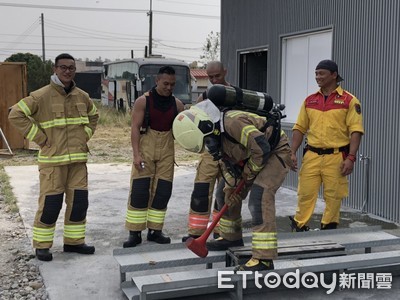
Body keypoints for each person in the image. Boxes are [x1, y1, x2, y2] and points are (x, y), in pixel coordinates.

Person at [173, 99, 292, 271]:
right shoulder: (212, 135)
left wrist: (247, 176)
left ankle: (264, 259)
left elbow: (261, 148)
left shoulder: (233, 123)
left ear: (207, 127)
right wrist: (233, 190)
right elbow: (228, 164)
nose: (209, 146)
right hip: (251, 155)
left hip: (275, 151)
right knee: (224, 193)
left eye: (207, 142)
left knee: (259, 197)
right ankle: (231, 237)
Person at [8, 53, 99, 261]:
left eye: (71, 68)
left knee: (79, 203)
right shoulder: (41, 95)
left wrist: (85, 135)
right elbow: (15, 114)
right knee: (51, 204)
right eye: (63, 67)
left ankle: (74, 243)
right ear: (55, 69)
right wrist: (39, 138)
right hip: (52, 163)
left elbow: (94, 115)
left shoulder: (82, 96)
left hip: (78, 162)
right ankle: (42, 246)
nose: (67, 71)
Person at [289, 59, 364, 231]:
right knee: (305, 194)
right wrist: (292, 151)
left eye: (321, 73)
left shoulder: (349, 100)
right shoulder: (310, 101)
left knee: (334, 196)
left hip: (337, 157)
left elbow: (356, 131)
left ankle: (329, 231)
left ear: (334, 75)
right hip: (312, 156)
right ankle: (299, 228)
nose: (317, 77)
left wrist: (351, 158)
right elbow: (299, 128)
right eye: (316, 73)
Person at [123, 66, 184, 247]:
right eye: (165, 83)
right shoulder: (143, 102)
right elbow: (135, 128)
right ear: (157, 81)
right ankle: (134, 233)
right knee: (140, 191)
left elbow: (185, 129)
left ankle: (155, 231)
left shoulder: (178, 105)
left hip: (167, 150)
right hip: (146, 147)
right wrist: (136, 154)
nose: (169, 87)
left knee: (162, 191)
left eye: (172, 84)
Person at [182, 61, 231, 242]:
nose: (214, 80)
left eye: (217, 75)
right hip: (210, 151)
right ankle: (196, 232)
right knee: (201, 190)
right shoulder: (203, 99)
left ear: (225, 71)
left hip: (231, 153)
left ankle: (221, 231)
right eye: (210, 77)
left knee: (225, 193)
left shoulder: (235, 96)